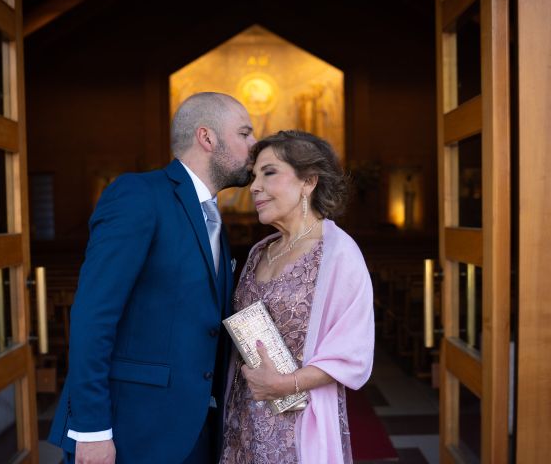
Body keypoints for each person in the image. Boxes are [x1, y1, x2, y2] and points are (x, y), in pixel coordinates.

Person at [47, 92, 257, 464]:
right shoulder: (138, 196)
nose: (254, 145)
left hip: (196, 428)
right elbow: (93, 316)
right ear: (207, 138)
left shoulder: (213, 220)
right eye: (245, 133)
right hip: (133, 428)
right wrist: (92, 428)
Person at [220, 130, 375, 464]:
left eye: (269, 172)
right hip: (242, 418)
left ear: (309, 181)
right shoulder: (261, 251)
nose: (254, 187)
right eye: (254, 176)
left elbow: (353, 354)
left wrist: (284, 385)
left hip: (298, 424)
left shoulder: (339, 254)